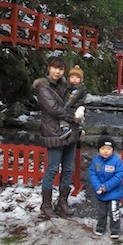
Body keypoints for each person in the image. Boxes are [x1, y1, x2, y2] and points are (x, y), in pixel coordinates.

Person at [33, 57, 81, 220]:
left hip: (70, 132)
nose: (57, 71)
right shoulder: (42, 86)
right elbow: (53, 109)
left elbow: (76, 99)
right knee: (53, 168)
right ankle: (46, 205)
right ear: (48, 68)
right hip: (53, 132)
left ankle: (62, 201)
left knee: (68, 169)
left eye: (60, 69)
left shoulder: (66, 85)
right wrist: (73, 115)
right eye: (54, 68)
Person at [88, 134, 123, 239]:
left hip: (114, 192)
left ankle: (115, 229)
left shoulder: (116, 161)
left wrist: (106, 186)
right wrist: (98, 186)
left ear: (112, 150)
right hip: (101, 192)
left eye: (109, 149)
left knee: (114, 212)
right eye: (103, 148)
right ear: (99, 150)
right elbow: (92, 174)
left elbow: (119, 175)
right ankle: (100, 227)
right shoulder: (96, 161)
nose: (106, 151)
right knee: (102, 212)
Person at [59, 65, 87, 140]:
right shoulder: (68, 87)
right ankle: (67, 128)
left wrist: (66, 106)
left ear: (81, 79)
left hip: (78, 105)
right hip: (72, 105)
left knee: (78, 116)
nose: (74, 79)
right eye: (72, 77)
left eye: (77, 78)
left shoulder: (80, 87)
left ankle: (78, 128)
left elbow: (73, 98)